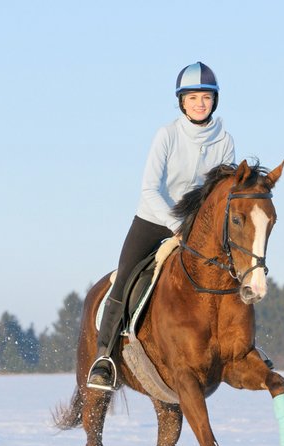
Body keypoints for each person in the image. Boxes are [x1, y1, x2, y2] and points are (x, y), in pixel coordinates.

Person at [87, 61, 235, 390]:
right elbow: (149, 189)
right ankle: (105, 358)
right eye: (193, 97)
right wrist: (175, 225)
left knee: (230, 271)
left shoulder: (224, 141)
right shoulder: (166, 135)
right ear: (181, 101)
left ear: (215, 101)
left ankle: (240, 347)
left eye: (206, 97)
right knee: (124, 278)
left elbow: (221, 195)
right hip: (153, 221)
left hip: (196, 229)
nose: (200, 103)